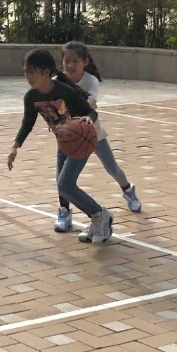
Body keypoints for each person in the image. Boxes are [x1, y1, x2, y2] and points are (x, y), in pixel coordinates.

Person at [7, 48, 113, 245]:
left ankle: (99, 215)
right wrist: (15, 146)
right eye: (26, 72)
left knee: (65, 184)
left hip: (82, 141)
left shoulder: (65, 91)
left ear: (46, 72)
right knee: (63, 187)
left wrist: (88, 120)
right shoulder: (31, 97)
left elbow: (91, 112)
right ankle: (96, 219)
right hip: (63, 143)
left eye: (32, 72)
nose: (28, 76)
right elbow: (27, 123)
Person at [60, 41, 141, 239]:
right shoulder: (58, 80)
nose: (70, 65)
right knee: (61, 177)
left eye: (75, 61)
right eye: (66, 61)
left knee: (112, 168)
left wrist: (80, 110)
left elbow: (91, 103)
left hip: (93, 135)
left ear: (85, 62)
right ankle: (64, 211)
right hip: (68, 136)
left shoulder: (90, 81)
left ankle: (128, 190)